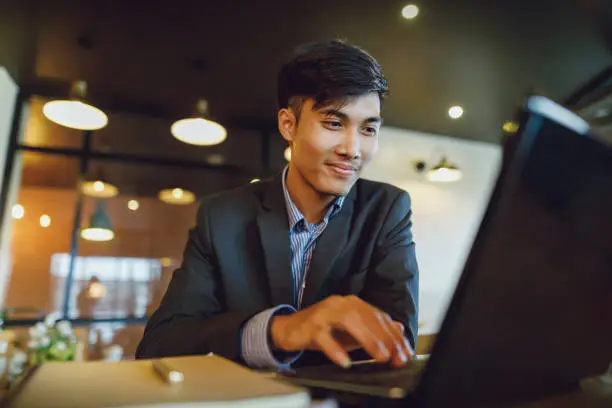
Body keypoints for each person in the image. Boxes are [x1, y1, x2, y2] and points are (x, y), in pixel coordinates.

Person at [136, 40, 419, 369]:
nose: (353, 149)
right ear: (288, 124)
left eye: (368, 129)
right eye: (333, 123)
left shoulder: (387, 210)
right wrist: (279, 331)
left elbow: (400, 343)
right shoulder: (223, 217)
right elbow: (160, 345)